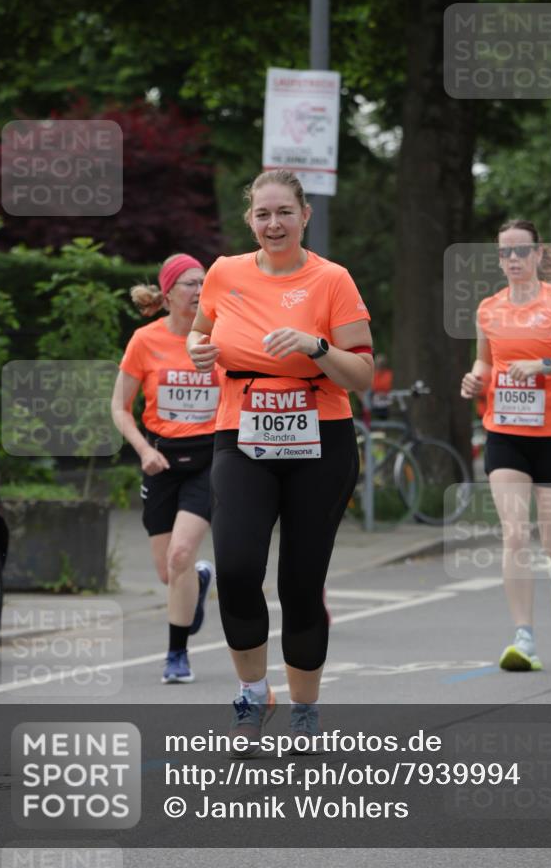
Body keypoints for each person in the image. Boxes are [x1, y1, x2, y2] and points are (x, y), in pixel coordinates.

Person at [186, 169, 373, 748]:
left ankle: (305, 710)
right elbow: (199, 333)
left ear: (304, 215)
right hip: (241, 433)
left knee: (300, 581)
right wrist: (198, 351)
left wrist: (316, 347)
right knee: (238, 570)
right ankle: (251, 693)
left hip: (322, 438)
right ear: (250, 220)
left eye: (284, 212)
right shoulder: (225, 273)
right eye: (263, 214)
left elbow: (362, 373)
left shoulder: (332, 280)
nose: (273, 224)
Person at [460, 219, 551, 672]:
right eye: (506, 253)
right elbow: (486, 362)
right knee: (515, 533)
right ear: (498, 258)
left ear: (539, 255)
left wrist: (545, 365)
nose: (514, 260)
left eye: (522, 251)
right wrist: (474, 380)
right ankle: (524, 637)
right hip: (505, 431)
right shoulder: (489, 309)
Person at [111, 254, 216, 684]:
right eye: (190, 284)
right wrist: (142, 450)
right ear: (168, 292)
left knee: (180, 555)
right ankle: (199, 580)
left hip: (209, 460)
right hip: (160, 459)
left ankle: (177, 656)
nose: (199, 292)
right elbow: (119, 406)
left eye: (205, 283)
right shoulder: (145, 340)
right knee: (167, 571)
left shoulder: (217, 338)